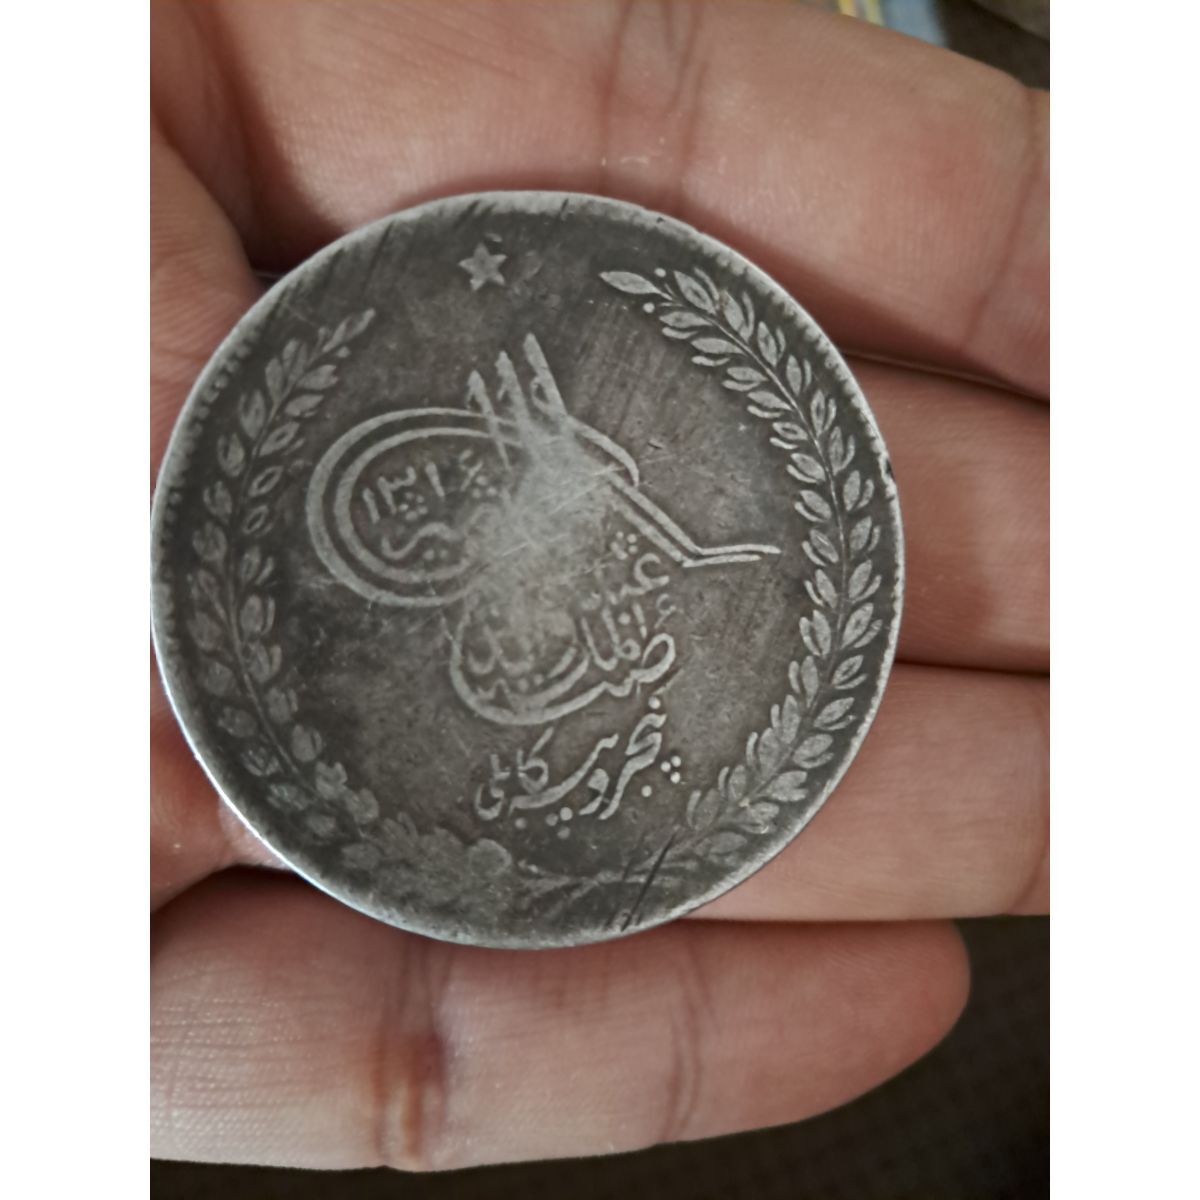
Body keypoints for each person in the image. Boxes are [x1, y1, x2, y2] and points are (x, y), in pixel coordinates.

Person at [151, 0, 1048, 1171]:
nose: (440, 506)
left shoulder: (603, 542)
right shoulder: (515, 627)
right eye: (411, 521)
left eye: (425, 488)